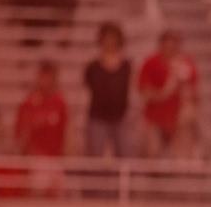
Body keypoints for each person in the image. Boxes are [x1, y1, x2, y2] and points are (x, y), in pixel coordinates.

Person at [137, 30, 197, 158]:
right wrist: (165, 92)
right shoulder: (151, 63)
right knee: (153, 153)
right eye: (167, 45)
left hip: (178, 121)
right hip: (155, 118)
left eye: (173, 45)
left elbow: (193, 93)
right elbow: (145, 92)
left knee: (180, 157)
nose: (170, 49)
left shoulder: (186, 64)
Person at [15, 60, 67, 196]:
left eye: (50, 77)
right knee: (38, 188)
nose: (46, 81)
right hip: (35, 160)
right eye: (43, 77)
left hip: (55, 159)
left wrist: (64, 159)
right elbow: (21, 137)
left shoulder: (60, 103)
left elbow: (67, 133)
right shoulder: (28, 104)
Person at [83, 21, 131, 157]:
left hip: (120, 117)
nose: (110, 42)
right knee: (95, 155)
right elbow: (88, 90)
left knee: (124, 155)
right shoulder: (92, 67)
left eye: (113, 38)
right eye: (107, 38)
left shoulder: (126, 66)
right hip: (98, 117)